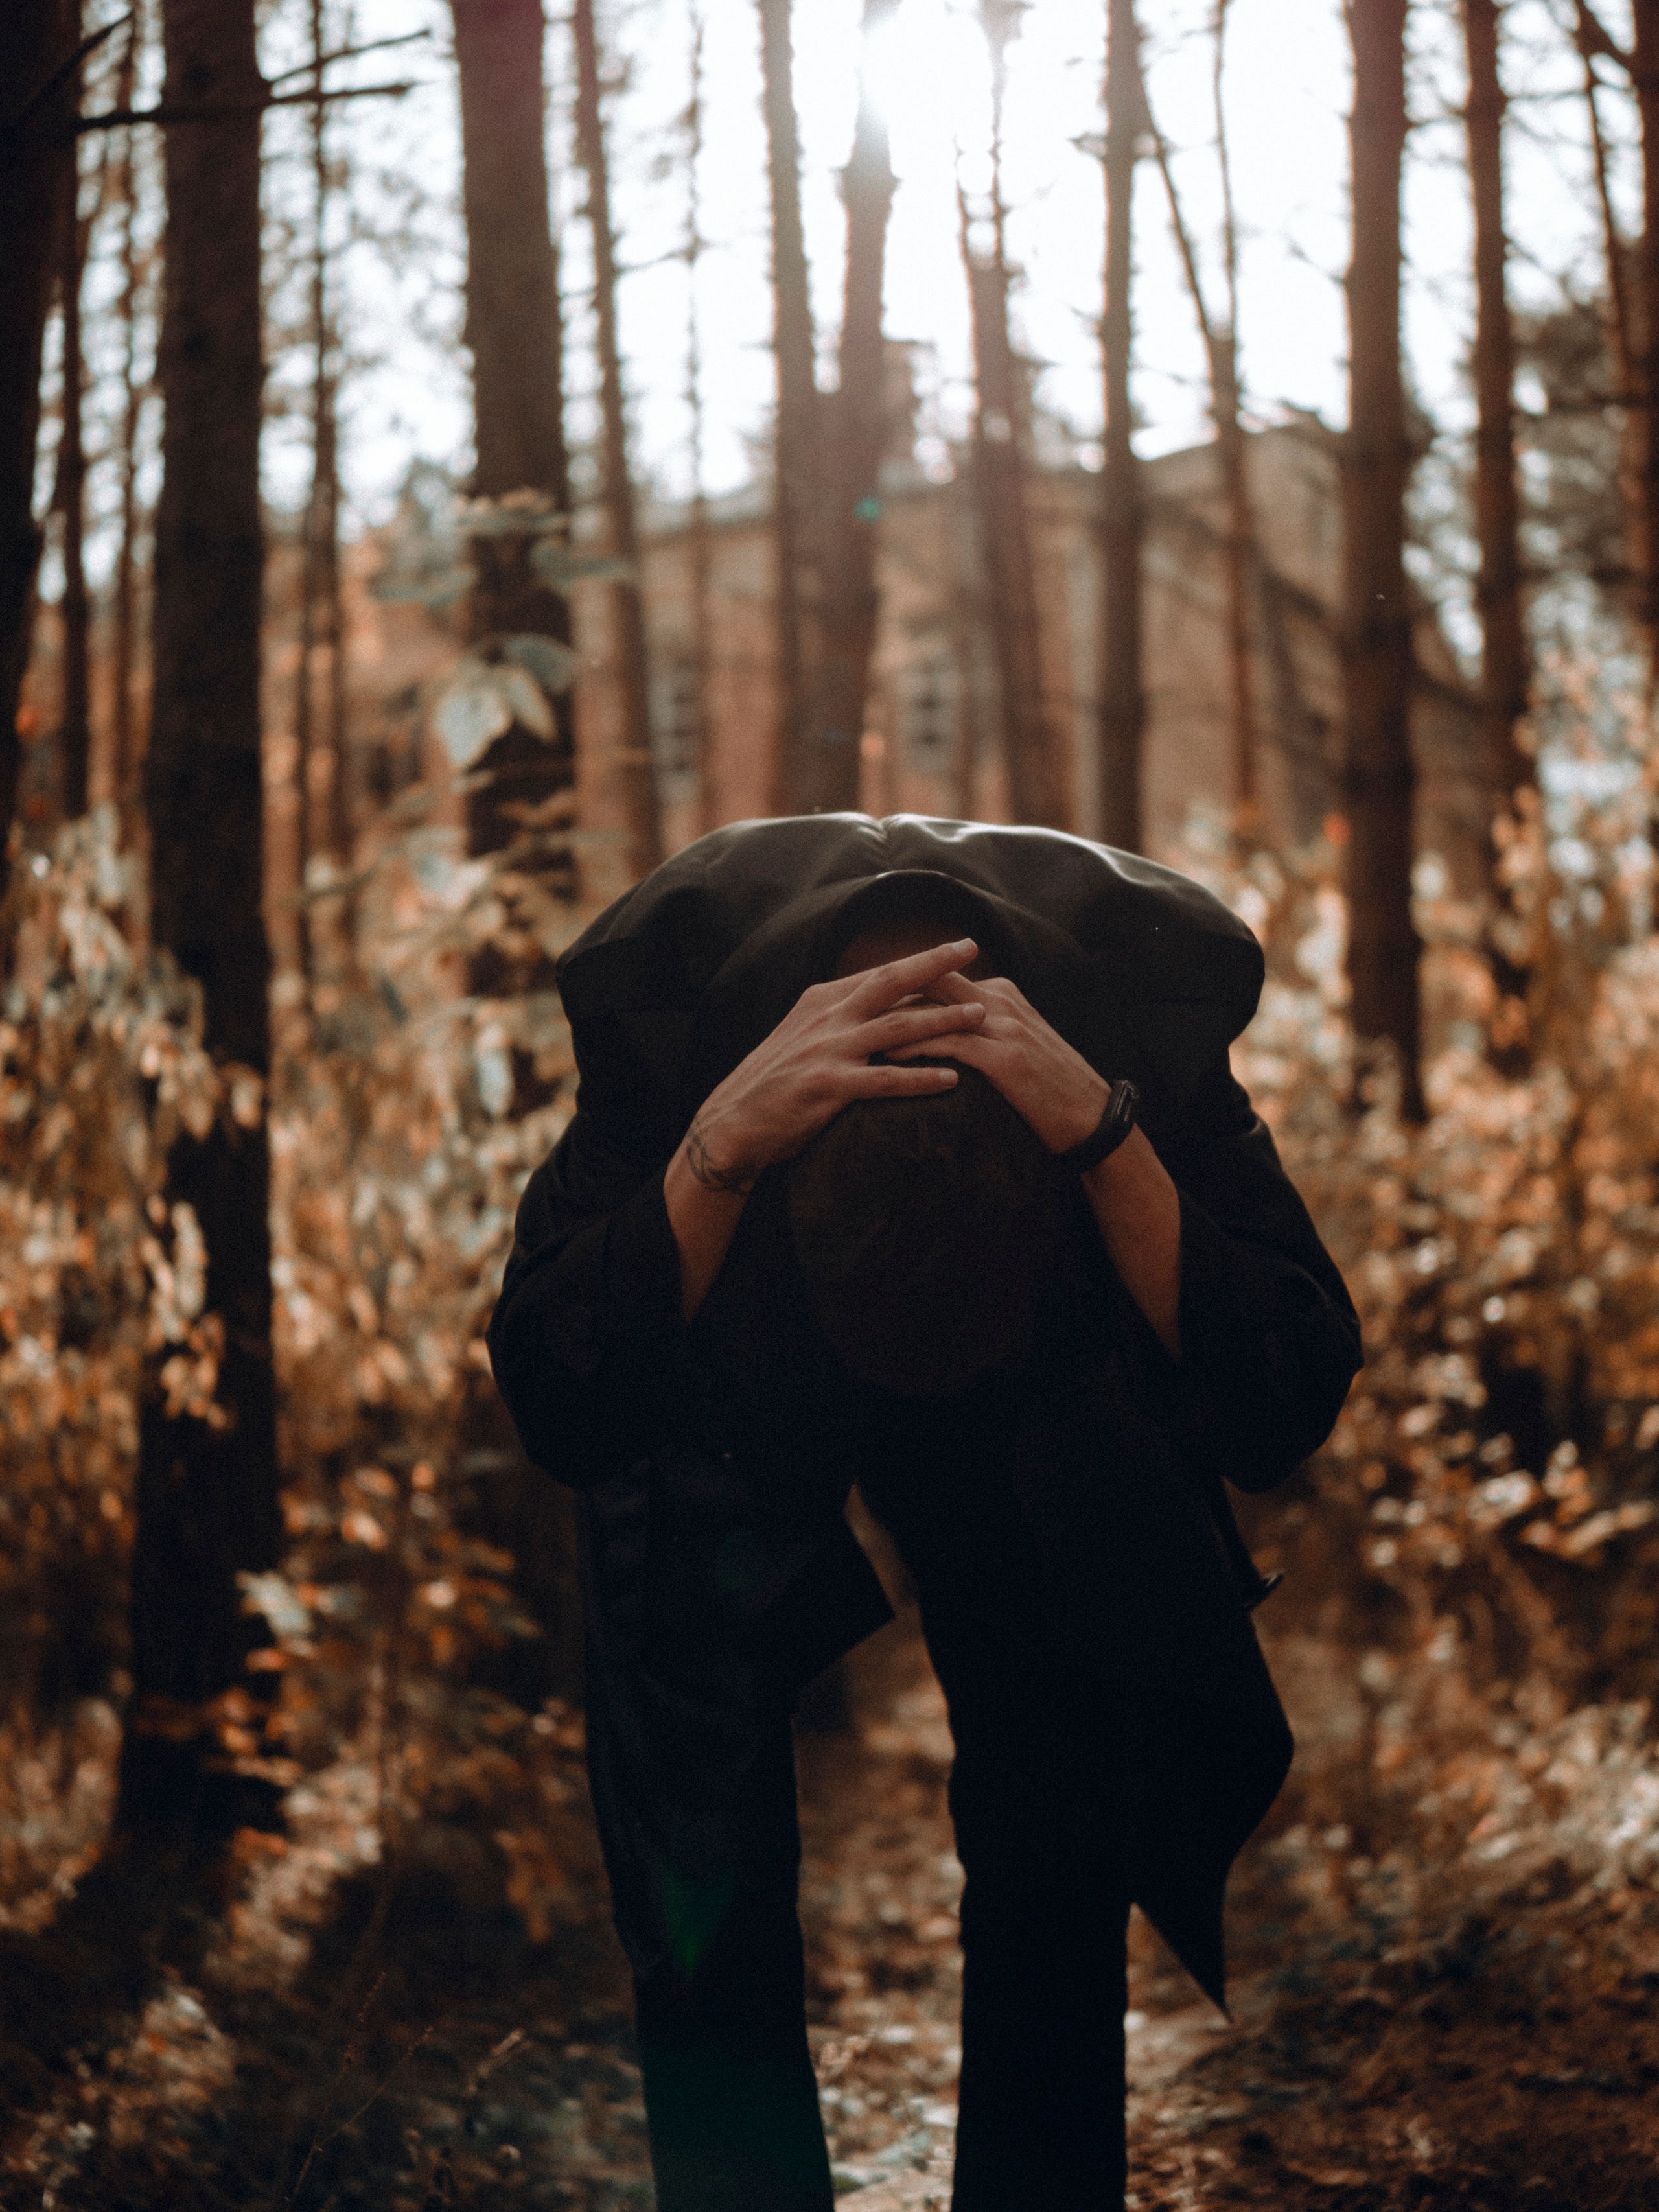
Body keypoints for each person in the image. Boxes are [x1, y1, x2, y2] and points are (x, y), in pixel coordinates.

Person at [487, 813, 1362, 2212]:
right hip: (728, 1361)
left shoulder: (1140, 1009)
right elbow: (560, 1399)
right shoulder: (667, 1001)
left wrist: (1103, 1136)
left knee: (1059, 1805)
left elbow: (1283, 1390)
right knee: (695, 1852)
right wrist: (715, 1147)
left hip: (1040, 1393)